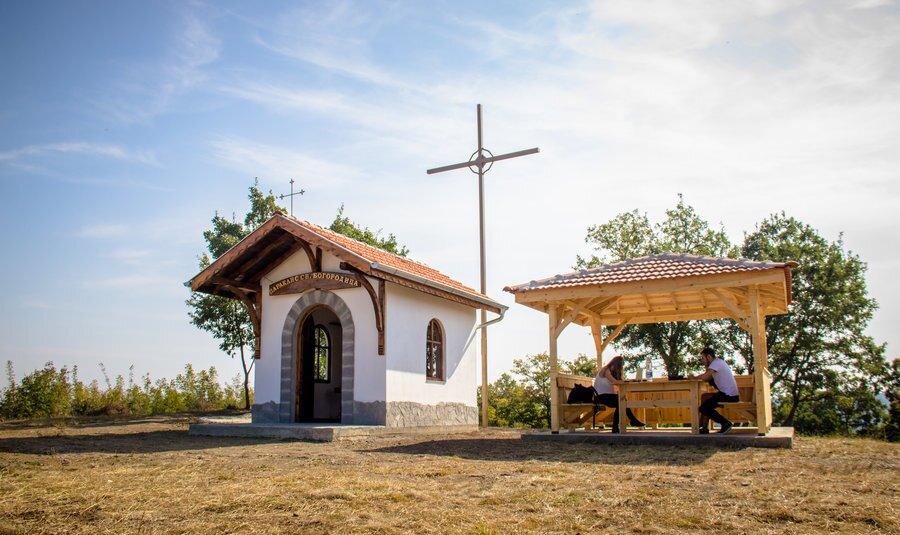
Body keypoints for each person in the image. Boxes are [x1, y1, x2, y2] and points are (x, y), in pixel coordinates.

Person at [689, 347, 740, 434]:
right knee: (704, 397)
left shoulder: (716, 363)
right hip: (727, 394)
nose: (702, 361)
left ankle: (725, 423)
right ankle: (704, 428)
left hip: (729, 396)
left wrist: (693, 377)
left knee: (704, 408)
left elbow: (705, 377)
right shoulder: (717, 363)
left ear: (709, 357)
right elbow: (707, 377)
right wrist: (706, 366)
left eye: (703, 358)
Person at [593, 356, 645, 433]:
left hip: (606, 396)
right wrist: (625, 382)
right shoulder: (605, 369)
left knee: (621, 401)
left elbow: (618, 381)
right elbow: (614, 381)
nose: (618, 368)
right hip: (600, 396)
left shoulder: (610, 371)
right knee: (621, 400)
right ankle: (631, 421)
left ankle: (617, 426)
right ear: (614, 364)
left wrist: (623, 380)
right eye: (618, 366)